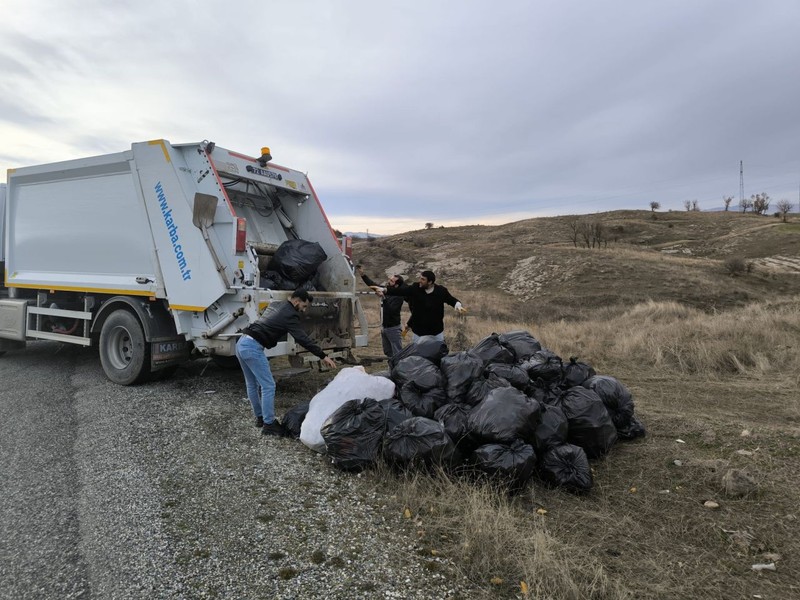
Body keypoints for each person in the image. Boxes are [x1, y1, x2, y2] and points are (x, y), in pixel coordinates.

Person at [235, 289, 338, 436]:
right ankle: (269, 424)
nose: (304, 310)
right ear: (296, 301)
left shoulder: (277, 305)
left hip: (242, 342)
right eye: (303, 306)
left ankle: (260, 418)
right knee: (268, 385)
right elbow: (302, 338)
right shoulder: (290, 314)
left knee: (252, 384)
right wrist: (323, 355)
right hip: (252, 347)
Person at [373, 270, 466, 343]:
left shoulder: (441, 291)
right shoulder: (415, 288)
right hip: (419, 332)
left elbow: (451, 300)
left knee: (437, 357)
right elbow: (401, 291)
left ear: (430, 282)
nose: (420, 281)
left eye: (423, 279)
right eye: (420, 278)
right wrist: (385, 290)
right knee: (418, 358)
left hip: (436, 332)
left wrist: (458, 305)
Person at [356, 265, 408, 358]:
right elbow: (372, 285)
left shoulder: (399, 296)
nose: (389, 281)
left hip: (393, 328)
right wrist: (363, 275)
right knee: (388, 352)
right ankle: (391, 370)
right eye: (390, 279)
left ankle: (399, 371)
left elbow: (392, 310)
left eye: (391, 281)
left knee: (397, 353)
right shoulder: (386, 290)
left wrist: (383, 297)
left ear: (396, 285)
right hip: (384, 327)